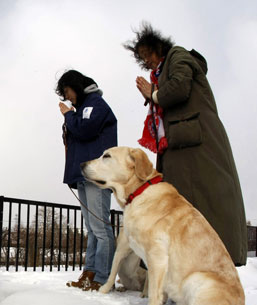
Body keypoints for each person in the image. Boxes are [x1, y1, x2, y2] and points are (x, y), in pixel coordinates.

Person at [125, 22, 247, 266]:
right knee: (180, 210)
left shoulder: (179, 55)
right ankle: (183, 268)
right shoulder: (162, 71)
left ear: (157, 47)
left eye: (146, 54)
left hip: (195, 146)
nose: (145, 61)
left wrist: (154, 94)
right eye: (141, 58)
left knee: (204, 206)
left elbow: (179, 87)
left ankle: (209, 267)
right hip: (182, 146)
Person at [56, 70, 118, 291]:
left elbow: (85, 129)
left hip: (97, 175)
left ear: (76, 85)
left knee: (100, 227)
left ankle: (103, 278)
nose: (67, 97)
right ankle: (90, 274)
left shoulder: (95, 104)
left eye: (67, 91)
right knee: (92, 228)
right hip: (84, 174)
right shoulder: (84, 108)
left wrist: (68, 116)